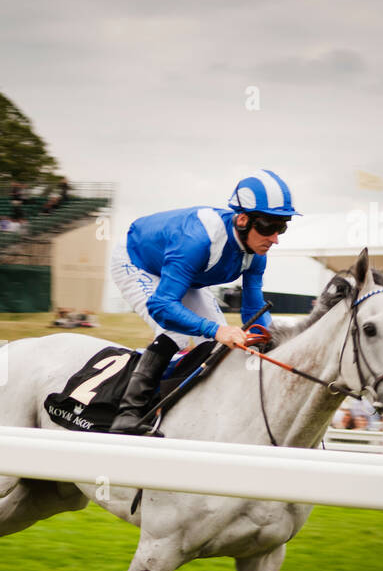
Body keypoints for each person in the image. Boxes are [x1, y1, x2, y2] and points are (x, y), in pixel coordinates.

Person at [107, 170, 297, 434]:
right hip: (136, 260)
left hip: (178, 271)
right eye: (268, 227)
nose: (275, 238)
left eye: (282, 227)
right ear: (242, 219)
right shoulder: (197, 239)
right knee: (176, 332)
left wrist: (269, 339)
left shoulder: (257, 254)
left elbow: (253, 308)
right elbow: (162, 306)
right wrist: (218, 330)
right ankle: (128, 413)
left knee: (215, 347)